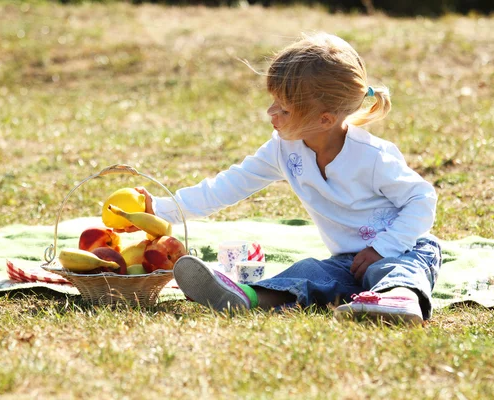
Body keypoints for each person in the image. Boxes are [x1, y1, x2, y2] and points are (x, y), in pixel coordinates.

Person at [132, 32, 441, 324]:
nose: (271, 112)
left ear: (325, 119)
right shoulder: (284, 149)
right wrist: (159, 210)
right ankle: (247, 297)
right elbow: (228, 186)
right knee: (310, 273)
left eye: (284, 109)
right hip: (347, 262)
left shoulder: (372, 156)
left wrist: (383, 248)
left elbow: (421, 199)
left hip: (405, 248)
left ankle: (397, 301)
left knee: (395, 271)